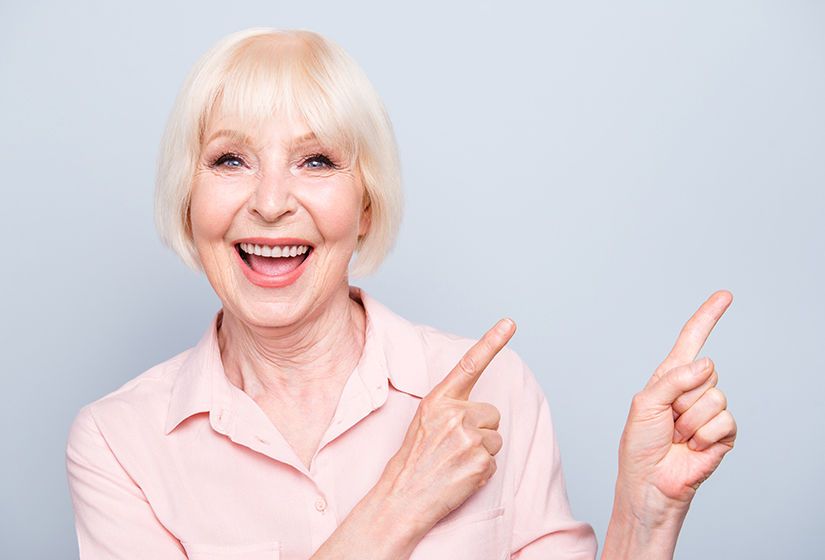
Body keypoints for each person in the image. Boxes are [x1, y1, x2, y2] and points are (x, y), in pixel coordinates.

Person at [66, 28, 736, 559]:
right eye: (230, 160)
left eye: (317, 160)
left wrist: (645, 517)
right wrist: (400, 502)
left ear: (365, 209)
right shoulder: (118, 445)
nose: (270, 203)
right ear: (189, 203)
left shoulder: (495, 389)